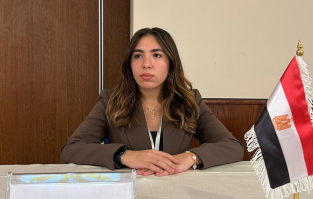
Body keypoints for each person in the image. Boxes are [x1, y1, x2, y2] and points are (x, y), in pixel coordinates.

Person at [61, 27, 243, 176]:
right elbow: (71, 150)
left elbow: (232, 146)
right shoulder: (110, 100)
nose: (146, 64)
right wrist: (124, 156)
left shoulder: (189, 100)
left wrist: (190, 157)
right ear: (129, 64)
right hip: (129, 194)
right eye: (138, 56)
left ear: (171, 64)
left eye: (157, 55)